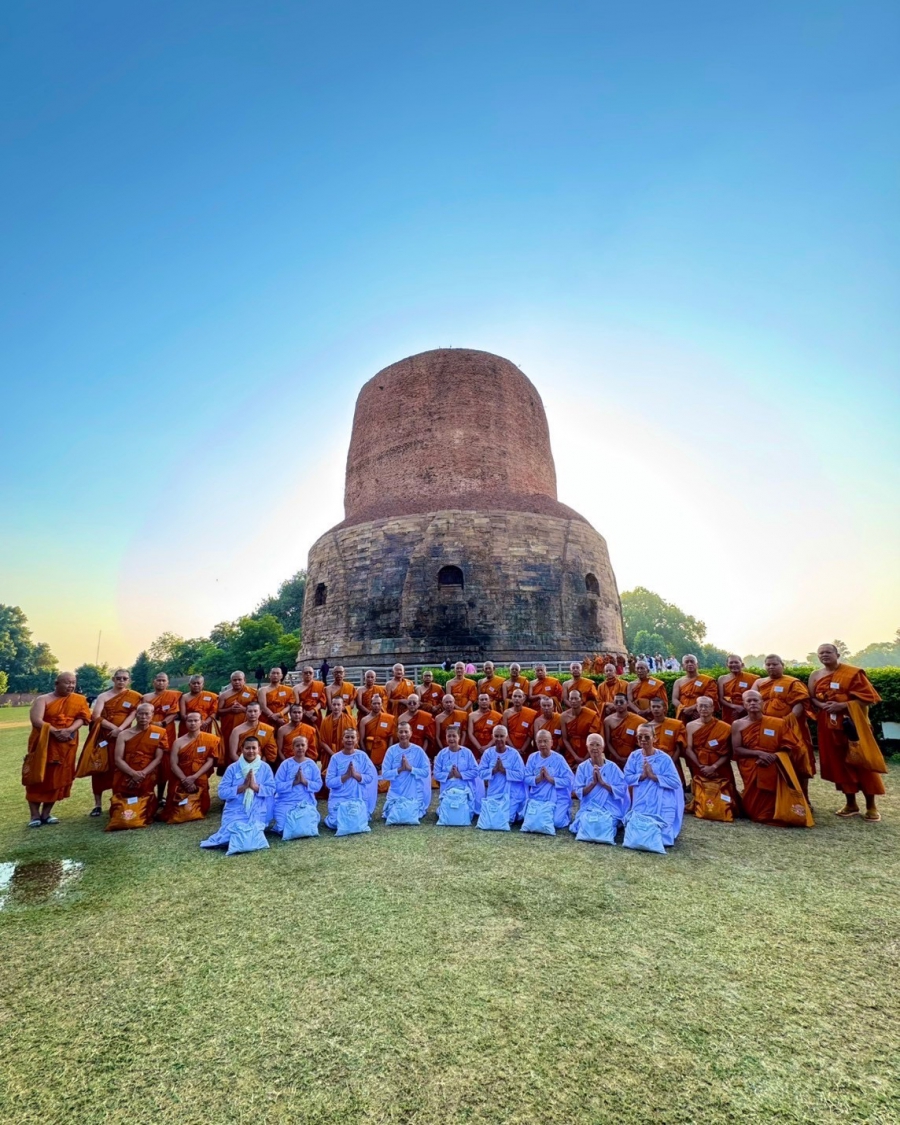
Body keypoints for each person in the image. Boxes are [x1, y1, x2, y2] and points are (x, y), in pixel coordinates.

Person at [810, 643, 885, 821]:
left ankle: (871, 806)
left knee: (862, 761)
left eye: (828, 652)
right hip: (828, 725)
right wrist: (823, 706)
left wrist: (842, 705)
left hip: (853, 724)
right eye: (821, 653)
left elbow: (868, 699)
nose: (824, 655)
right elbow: (812, 697)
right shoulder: (815, 675)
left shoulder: (853, 673)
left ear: (838, 654)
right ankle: (850, 803)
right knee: (839, 763)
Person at [732, 690, 813, 826]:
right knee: (754, 810)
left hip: (774, 763)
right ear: (744, 704)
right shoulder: (737, 724)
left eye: (756, 700)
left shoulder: (778, 723)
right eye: (749, 701)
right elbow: (737, 749)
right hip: (751, 763)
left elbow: (791, 745)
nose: (752, 703)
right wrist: (759, 754)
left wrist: (775, 756)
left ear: (762, 703)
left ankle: (778, 811)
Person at [23, 671, 92, 827]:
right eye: (67, 682)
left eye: (73, 682)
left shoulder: (79, 700)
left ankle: (46, 814)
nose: (71, 686)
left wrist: (69, 730)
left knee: (58, 778)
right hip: (43, 744)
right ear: (56, 683)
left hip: (66, 745)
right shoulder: (43, 699)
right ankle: (34, 815)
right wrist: (55, 731)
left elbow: (83, 717)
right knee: (37, 777)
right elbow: (36, 720)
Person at [76, 668, 142, 817]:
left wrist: (121, 729)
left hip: (124, 736)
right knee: (100, 768)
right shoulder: (103, 696)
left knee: (121, 767)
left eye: (125, 678)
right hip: (105, 736)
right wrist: (113, 728)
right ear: (113, 679)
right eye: (119, 678)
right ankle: (97, 804)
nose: (121, 681)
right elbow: (96, 716)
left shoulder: (135, 696)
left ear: (129, 680)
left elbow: (133, 714)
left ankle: (118, 799)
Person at [755, 654, 816, 797]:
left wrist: (785, 722)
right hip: (766, 728)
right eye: (768, 664)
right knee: (770, 760)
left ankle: (802, 797)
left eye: (775, 664)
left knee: (798, 759)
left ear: (783, 665)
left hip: (790, 727)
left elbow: (800, 704)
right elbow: (751, 700)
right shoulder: (760, 683)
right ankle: (775, 797)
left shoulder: (793, 682)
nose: (771, 667)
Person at [200, 735, 276, 847]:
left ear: (259, 749)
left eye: (254, 748)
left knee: (249, 838)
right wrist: (242, 787)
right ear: (241, 749)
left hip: (257, 808)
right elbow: (222, 793)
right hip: (236, 809)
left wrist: (254, 786)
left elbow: (272, 789)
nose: (251, 751)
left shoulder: (265, 768)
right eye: (247, 748)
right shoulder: (232, 768)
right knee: (228, 836)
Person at [624, 726, 685, 846]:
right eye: (640, 737)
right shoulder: (634, 756)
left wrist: (653, 776)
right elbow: (626, 778)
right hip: (642, 800)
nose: (643, 740)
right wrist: (641, 776)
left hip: (662, 801)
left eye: (647, 737)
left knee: (662, 839)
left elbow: (675, 782)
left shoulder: (664, 758)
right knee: (638, 835)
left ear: (654, 738)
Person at [111, 702, 167, 826]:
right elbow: (118, 759)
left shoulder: (160, 732)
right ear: (136, 715)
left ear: (152, 715)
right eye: (140, 714)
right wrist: (132, 774)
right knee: (122, 806)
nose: (143, 717)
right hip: (125, 771)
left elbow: (158, 758)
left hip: (147, 772)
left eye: (147, 714)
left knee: (146, 810)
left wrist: (142, 774)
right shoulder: (124, 734)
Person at [684, 696, 739, 811]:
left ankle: (725, 807)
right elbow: (688, 749)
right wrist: (700, 766)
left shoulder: (725, 727)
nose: (703, 709)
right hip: (700, 765)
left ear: (713, 708)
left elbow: (728, 752)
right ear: (697, 708)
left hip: (720, 766)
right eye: (700, 706)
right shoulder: (690, 726)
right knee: (704, 797)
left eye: (707, 706)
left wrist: (714, 767)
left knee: (725, 796)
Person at [162, 710, 218, 819]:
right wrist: (185, 780)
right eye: (189, 721)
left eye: (196, 720)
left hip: (199, 774)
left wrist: (194, 777)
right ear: (185, 722)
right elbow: (173, 764)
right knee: (173, 808)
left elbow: (210, 761)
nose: (193, 723)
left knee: (203, 807)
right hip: (180, 775)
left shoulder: (210, 739)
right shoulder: (178, 742)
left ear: (201, 722)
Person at [570, 733, 628, 835]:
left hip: (609, 808)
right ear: (587, 747)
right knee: (584, 824)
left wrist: (603, 783)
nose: (595, 748)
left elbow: (622, 790)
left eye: (598, 745)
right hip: (589, 807)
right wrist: (593, 783)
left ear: (603, 748)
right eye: (591, 745)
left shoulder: (613, 767)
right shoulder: (582, 767)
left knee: (604, 825)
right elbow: (578, 792)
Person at [324, 729, 378, 829]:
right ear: (342, 740)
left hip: (357, 797)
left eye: (352, 737)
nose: (349, 740)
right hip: (339, 797)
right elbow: (329, 782)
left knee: (356, 820)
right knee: (337, 822)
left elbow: (370, 777)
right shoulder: (335, 758)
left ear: (357, 740)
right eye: (347, 737)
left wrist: (355, 774)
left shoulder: (362, 756)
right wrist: (346, 776)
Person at [143, 672, 183, 803]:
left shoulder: (173, 696)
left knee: (164, 766)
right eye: (158, 680)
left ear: (168, 683)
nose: (161, 683)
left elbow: (174, 713)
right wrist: (151, 724)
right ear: (153, 682)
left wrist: (162, 723)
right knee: (148, 762)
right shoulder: (146, 697)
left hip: (167, 732)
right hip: (148, 732)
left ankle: (161, 796)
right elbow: (141, 713)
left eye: (163, 681)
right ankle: (148, 795)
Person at [524, 729, 576, 828]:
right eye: (539, 741)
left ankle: (566, 815)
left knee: (556, 823)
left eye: (545, 741)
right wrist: (538, 778)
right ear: (536, 743)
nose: (543, 744)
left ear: (551, 743)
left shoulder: (559, 759)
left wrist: (551, 779)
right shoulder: (532, 757)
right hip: (538, 797)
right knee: (533, 820)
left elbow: (569, 780)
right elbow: (526, 778)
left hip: (557, 797)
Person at [272, 735, 323, 832]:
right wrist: (293, 783)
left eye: (302, 745)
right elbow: (276, 785)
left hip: (305, 802)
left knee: (308, 825)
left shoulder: (311, 764)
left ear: (306, 747)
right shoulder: (285, 764)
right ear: (292, 748)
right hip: (286, 802)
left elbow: (318, 785)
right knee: (283, 827)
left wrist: (304, 781)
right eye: (297, 745)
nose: (300, 748)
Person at [381, 722, 432, 820]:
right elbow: (385, 774)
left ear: (411, 733)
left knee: (411, 814)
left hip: (414, 792)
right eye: (401, 732)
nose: (403, 734)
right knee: (393, 815)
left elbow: (425, 772)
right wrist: (399, 770)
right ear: (397, 734)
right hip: (396, 792)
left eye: (406, 732)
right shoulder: (391, 751)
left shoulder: (418, 751)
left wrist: (410, 769)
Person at [478, 725, 527, 823]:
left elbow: (521, 775)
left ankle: (515, 812)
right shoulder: (488, 753)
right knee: (491, 819)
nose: (499, 739)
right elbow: (480, 773)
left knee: (506, 819)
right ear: (492, 737)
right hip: (494, 793)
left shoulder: (514, 754)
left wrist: (504, 771)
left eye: (501, 736)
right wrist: (494, 770)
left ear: (507, 737)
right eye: (496, 736)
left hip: (511, 794)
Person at [434, 726, 483, 812]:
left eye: (454, 736)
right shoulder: (442, 754)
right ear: (446, 737)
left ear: (459, 737)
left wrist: (460, 775)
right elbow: (436, 774)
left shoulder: (467, 752)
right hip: (447, 789)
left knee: (464, 812)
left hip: (464, 788)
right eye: (449, 736)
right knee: (447, 812)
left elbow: (476, 771)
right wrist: (448, 775)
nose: (451, 739)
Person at [217, 672, 258, 765]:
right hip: (228, 728)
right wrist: (229, 709)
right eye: (234, 680)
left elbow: (257, 710)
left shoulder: (253, 693)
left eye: (239, 680)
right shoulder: (224, 695)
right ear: (231, 681)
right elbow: (218, 711)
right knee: (229, 748)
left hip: (247, 728)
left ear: (244, 680)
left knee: (247, 746)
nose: (237, 682)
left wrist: (243, 709)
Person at [647, 696, 688, 788]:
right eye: (653, 707)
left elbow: (679, 747)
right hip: (653, 763)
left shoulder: (676, 724)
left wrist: (670, 762)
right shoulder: (647, 727)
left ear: (664, 708)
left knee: (674, 787)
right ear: (650, 709)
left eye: (658, 707)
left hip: (672, 760)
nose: (656, 709)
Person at [358, 693, 396, 782]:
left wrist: (388, 752)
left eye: (379, 703)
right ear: (370, 705)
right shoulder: (364, 720)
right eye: (374, 703)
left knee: (384, 776)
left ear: (382, 704)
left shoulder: (388, 718)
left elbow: (390, 737)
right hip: (369, 750)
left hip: (384, 750)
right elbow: (361, 739)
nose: (376, 706)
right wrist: (366, 755)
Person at [559, 690, 602, 768]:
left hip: (587, 749)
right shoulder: (563, 716)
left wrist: (585, 758)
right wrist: (575, 756)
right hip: (571, 751)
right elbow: (565, 739)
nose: (573, 701)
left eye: (576, 698)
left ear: (581, 700)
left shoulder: (591, 715)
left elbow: (593, 739)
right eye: (571, 699)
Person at [603, 694, 644, 769]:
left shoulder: (639, 721)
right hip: (614, 758)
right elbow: (608, 742)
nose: (619, 704)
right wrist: (618, 757)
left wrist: (631, 757)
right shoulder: (608, 720)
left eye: (621, 702)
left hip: (632, 758)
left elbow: (641, 743)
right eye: (616, 702)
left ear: (627, 703)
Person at [319, 697, 358, 778]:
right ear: (331, 706)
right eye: (334, 704)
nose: (336, 707)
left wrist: (342, 754)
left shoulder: (350, 720)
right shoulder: (325, 721)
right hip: (329, 754)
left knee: (346, 774)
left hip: (346, 753)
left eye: (338, 704)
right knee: (328, 776)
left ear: (343, 706)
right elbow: (322, 741)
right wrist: (333, 755)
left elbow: (354, 738)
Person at [671, 655, 718, 722]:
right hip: (683, 713)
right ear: (683, 665)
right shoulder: (678, 682)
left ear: (697, 664)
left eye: (692, 662)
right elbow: (674, 699)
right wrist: (684, 709)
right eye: (687, 662)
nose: (690, 664)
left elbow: (710, 698)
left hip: (701, 713)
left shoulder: (708, 680)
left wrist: (692, 708)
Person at [717, 656, 759, 725]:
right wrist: (734, 706)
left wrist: (743, 708)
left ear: (742, 665)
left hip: (747, 710)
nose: (733, 664)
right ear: (727, 665)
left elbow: (755, 698)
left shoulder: (753, 678)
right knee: (728, 730)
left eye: (736, 662)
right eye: (731, 662)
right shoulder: (722, 679)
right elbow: (721, 699)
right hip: (728, 710)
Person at [397, 694, 436, 759]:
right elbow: (401, 736)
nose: (412, 705)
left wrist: (422, 752)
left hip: (422, 747)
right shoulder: (401, 718)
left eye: (414, 703)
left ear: (419, 704)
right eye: (409, 703)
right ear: (407, 704)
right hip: (406, 748)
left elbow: (427, 738)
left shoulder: (425, 717)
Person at [501, 689, 538, 755]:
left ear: (524, 699)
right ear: (511, 698)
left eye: (519, 696)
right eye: (515, 696)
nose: (517, 699)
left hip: (525, 747)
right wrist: (513, 748)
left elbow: (530, 735)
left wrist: (523, 749)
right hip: (510, 746)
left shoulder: (531, 713)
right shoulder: (506, 713)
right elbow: (505, 733)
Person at [467, 693, 503, 760]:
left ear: (489, 701)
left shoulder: (497, 716)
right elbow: (470, 733)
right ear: (478, 702)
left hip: (491, 746)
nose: (484, 701)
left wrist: (488, 745)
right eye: (482, 699)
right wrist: (479, 748)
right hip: (476, 745)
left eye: (486, 699)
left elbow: (499, 735)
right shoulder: (472, 715)